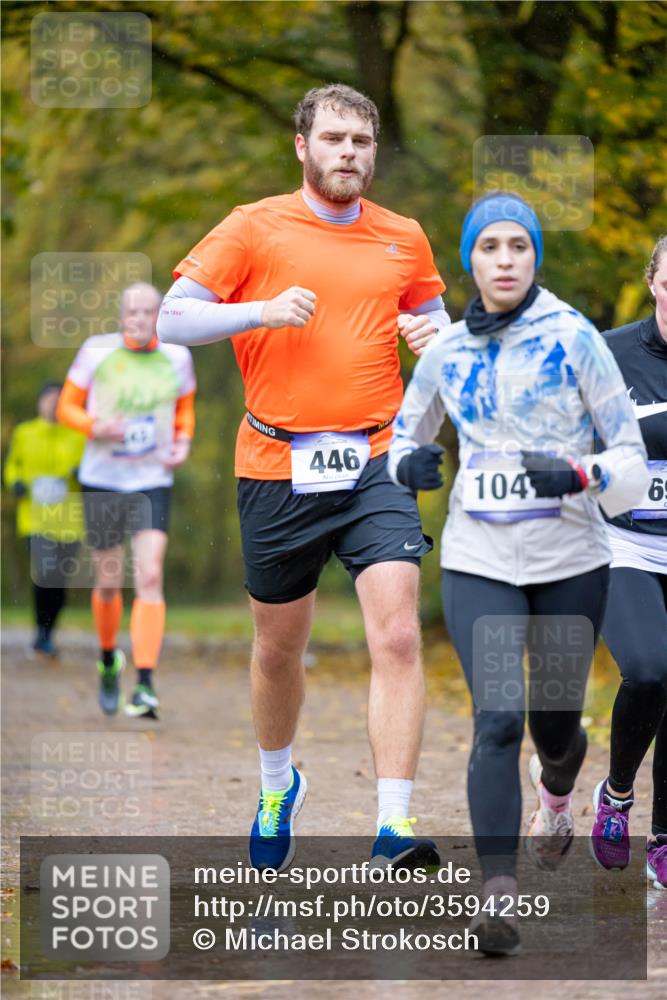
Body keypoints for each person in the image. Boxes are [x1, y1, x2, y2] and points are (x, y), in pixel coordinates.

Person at [158, 84, 449, 871]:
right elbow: (170, 318)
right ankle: (277, 781)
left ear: (373, 150)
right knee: (278, 647)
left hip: (375, 460)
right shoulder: (254, 227)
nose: (348, 152)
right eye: (333, 138)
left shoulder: (402, 237)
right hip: (275, 463)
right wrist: (257, 313)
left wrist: (435, 342)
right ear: (302, 146)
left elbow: (446, 341)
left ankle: (392, 824)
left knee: (394, 632)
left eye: (360, 140)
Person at [388, 191, 648, 954]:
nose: (504, 261)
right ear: (469, 259)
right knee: (496, 718)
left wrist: (577, 473)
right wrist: (410, 463)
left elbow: (629, 465)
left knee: (554, 727)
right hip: (480, 558)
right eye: (489, 248)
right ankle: (496, 893)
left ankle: (561, 779)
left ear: (535, 257)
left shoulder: (575, 341)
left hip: (571, 556)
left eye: (518, 248)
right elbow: (403, 440)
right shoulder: (446, 352)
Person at [57, 282, 196, 718]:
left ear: (160, 315)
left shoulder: (177, 356)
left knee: (150, 576)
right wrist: (93, 426)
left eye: (149, 311)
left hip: (152, 479)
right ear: (121, 317)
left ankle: (146, 682)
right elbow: (66, 407)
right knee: (108, 582)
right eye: (133, 311)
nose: (140, 319)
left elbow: (185, 408)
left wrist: (184, 440)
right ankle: (106, 657)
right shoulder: (97, 352)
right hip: (102, 480)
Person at [589, 235, 667, 890]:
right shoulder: (610, 353)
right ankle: (615, 797)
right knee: (647, 670)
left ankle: (663, 838)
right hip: (622, 542)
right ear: (653, 280)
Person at [4, 382, 85, 656]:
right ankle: (41, 630)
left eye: (58, 399)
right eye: (48, 399)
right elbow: (13, 465)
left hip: (69, 520)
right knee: (44, 572)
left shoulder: (78, 434)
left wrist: (80, 472)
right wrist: (15, 482)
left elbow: (91, 467)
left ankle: (48, 631)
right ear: (40, 403)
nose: (52, 404)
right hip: (35, 518)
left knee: (60, 578)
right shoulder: (25, 433)